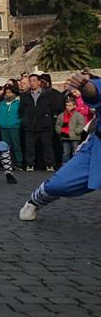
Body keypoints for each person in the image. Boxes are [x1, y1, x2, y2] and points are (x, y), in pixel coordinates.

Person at [20, 73, 100, 221]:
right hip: (97, 150)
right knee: (60, 184)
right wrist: (84, 86)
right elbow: (94, 91)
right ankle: (35, 201)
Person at [20, 74, 63, 171]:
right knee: (29, 146)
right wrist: (25, 119)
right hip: (30, 124)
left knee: (47, 145)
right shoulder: (25, 95)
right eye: (30, 81)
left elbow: (53, 108)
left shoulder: (47, 94)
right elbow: (22, 110)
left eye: (34, 80)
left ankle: (49, 164)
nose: (32, 83)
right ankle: (30, 164)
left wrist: (48, 118)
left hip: (45, 124)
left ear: (39, 82)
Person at [0, 85, 23, 167]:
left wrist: (17, 122)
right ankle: (7, 164)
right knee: (5, 148)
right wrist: (0, 122)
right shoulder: (2, 103)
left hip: (14, 128)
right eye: (6, 92)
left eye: (9, 92)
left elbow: (21, 114)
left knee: (16, 146)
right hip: (4, 128)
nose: (7, 94)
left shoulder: (18, 103)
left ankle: (19, 163)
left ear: (14, 94)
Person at [56, 97, 86, 164]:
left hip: (74, 137)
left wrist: (77, 131)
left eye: (70, 105)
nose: (68, 107)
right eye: (66, 105)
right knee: (65, 152)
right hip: (64, 136)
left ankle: (75, 165)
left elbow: (81, 124)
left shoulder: (78, 115)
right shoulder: (61, 115)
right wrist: (59, 131)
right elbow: (58, 124)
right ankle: (65, 165)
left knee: (75, 152)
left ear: (74, 106)